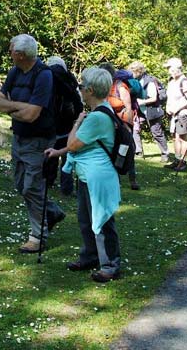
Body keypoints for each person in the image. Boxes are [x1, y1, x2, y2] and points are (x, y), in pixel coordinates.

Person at [45, 67, 122, 282]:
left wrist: (77, 122)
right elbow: (80, 145)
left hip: (98, 177)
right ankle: (90, 256)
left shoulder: (96, 117)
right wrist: (57, 152)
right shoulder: (101, 111)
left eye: (81, 86)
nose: (79, 90)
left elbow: (72, 144)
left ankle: (110, 264)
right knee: (86, 219)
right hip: (90, 175)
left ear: (89, 90)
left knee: (102, 220)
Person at [0, 34, 66, 254]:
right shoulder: (14, 72)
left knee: (32, 187)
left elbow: (33, 115)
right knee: (20, 185)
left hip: (39, 141)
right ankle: (51, 212)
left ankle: (37, 237)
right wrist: (19, 107)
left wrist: (11, 107)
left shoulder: (43, 75)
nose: (9, 53)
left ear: (21, 55)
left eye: (11, 49)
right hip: (19, 138)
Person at [100, 62, 140, 190]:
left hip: (122, 124)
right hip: (109, 124)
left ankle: (132, 180)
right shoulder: (103, 87)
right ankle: (115, 179)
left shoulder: (120, 87)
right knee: (111, 151)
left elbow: (128, 108)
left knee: (127, 149)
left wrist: (126, 126)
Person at [43, 56, 79, 196]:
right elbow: (78, 103)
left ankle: (48, 182)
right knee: (67, 158)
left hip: (50, 125)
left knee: (50, 154)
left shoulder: (46, 79)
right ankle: (67, 188)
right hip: (67, 125)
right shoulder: (69, 80)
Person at [128, 61, 170, 163]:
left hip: (152, 110)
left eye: (133, 71)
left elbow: (154, 98)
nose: (131, 74)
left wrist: (140, 102)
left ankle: (165, 153)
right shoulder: (136, 81)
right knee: (135, 129)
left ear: (139, 71)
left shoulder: (150, 81)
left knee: (156, 133)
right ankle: (138, 152)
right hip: (141, 110)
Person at [164, 58, 187, 171]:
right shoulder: (171, 81)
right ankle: (177, 160)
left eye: (169, 68)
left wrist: (177, 108)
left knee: (182, 137)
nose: (168, 70)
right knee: (175, 137)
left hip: (182, 113)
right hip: (174, 114)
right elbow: (169, 97)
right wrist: (168, 107)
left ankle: (183, 161)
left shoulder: (183, 81)